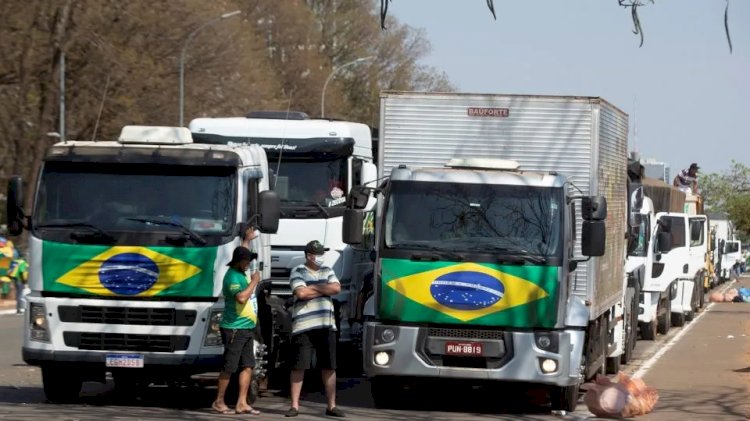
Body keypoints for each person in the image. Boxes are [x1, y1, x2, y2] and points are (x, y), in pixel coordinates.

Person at [285, 240, 345, 418]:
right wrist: (324, 289)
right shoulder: (297, 271)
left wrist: (313, 288)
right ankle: (294, 406)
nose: (319, 257)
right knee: (299, 366)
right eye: (316, 254)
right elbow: (301, 293)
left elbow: (337, 288)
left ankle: (331, 406)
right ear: (308, 255)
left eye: (321, 253)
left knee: (329, 366)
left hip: (326, 325)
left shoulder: (328, 270)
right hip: (303, 326)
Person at [211, 243, 262, 416]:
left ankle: (242, 403)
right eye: (246, 260)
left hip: (247, 328)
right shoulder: (233, 276)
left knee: (248, 365)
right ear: (239, 261)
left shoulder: (240, 273)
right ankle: (219, 401)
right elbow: (241, 298)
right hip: (234, 328)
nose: (249, 263)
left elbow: (242, 248)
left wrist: (246, 240)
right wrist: (254, 281)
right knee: (229, 367)